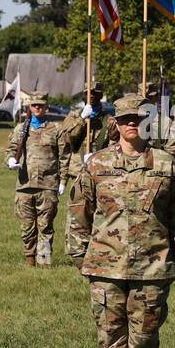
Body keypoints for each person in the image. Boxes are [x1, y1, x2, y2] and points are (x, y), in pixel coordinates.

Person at [68, 94, 175, 348]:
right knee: (110, 335)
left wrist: (172, 258)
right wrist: (81, 257)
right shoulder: (96, 164)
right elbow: (80, 213)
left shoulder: (165, 164)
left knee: (145, 336)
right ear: (116, 124)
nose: (132, 123)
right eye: (125, 119)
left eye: (138, 118)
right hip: (105, 266)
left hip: (153, 266)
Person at [5, 91, 68, 266]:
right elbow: (10, 150)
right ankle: (30, 259)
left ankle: (44, 260)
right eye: (34, 105)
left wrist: (63, 181)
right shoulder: (20, 129)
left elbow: (64, 157)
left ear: (46, 106)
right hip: (24, 185)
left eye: (41, 105)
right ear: (29, 107)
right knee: (26, 226)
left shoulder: (56, 130)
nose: (37, 107)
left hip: (48, 185)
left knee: (45, 225)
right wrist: (10, 160)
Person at [59, 82, 117, 261]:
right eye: (88, 93)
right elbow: (66, 138)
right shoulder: (75, 115)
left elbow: (115, 144)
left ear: (101, 95)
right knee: (78, 213)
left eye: (95, 93)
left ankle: (101, 250)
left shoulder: (109, 119)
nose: (91, 96)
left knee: (102, 212)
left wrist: (100, 157)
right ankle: (77, 253)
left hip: (101, 172)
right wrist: (82, 120)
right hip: (78, 171)